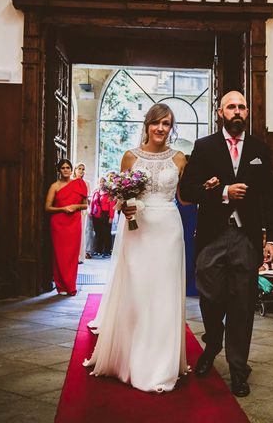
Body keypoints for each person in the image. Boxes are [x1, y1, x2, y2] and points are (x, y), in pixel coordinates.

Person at [179, 91, 273, 398]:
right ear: (220, 112)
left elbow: (270, 198)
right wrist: (222, 191)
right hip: (212, 234)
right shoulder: (204, 146)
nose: (237, 111)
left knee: (242, 302)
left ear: (247, 113)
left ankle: (238, 368)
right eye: (231, 107)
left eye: (241, 107)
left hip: (245, 237)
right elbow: (188, 190)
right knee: (209, 292)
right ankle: (213, 339)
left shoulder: (260, 149)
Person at [83, 103, 190, 393]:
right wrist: (124, 208)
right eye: (156, 123)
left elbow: (186, 196)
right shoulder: (130, 156)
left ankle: (162, 363)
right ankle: (132, 358)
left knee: (165, 293)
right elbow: (120, 199)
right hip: (138, 229)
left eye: (167, 124)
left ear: (171, 128)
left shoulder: (180, 159)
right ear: (147, 124)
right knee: (139, 292)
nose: (161, 129)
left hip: (168, 227)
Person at [45, 159, 88, 296]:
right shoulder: (54, 186)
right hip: (58, 223)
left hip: (74, 222)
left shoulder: (79, 184)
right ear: (59, 170)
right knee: (59, 254)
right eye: (62, 168)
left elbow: (85, 205)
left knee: (72, 255)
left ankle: (70, 285)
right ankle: (61, 286)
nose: (65, 170)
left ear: (71, 170)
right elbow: (47, 207)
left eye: (68, 167)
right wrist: (63, 208)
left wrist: (75, 207)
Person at [89, 176, 116, 257]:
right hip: (96, 215)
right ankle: (98, 250)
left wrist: (111, 217)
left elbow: (112, 205)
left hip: (105, 215)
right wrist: (91, 213)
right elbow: (92, 203)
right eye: (100, 181)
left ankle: (107, 251)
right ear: (98, 183)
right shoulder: (96, 192)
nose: (102, 183)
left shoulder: (109, 193)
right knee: (98, 233)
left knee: (106, 233)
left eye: (103, 181)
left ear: (106, 182)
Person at [73, 163, 91, 263]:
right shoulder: (70, 181)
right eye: (79, 169)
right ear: (75, 170)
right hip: (72, 210)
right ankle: (72, 256)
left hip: (82, 211)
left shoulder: (86, 183)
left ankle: (80, 256)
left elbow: (88, 197)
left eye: (83, 169)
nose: (81, 171)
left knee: (81, 234)